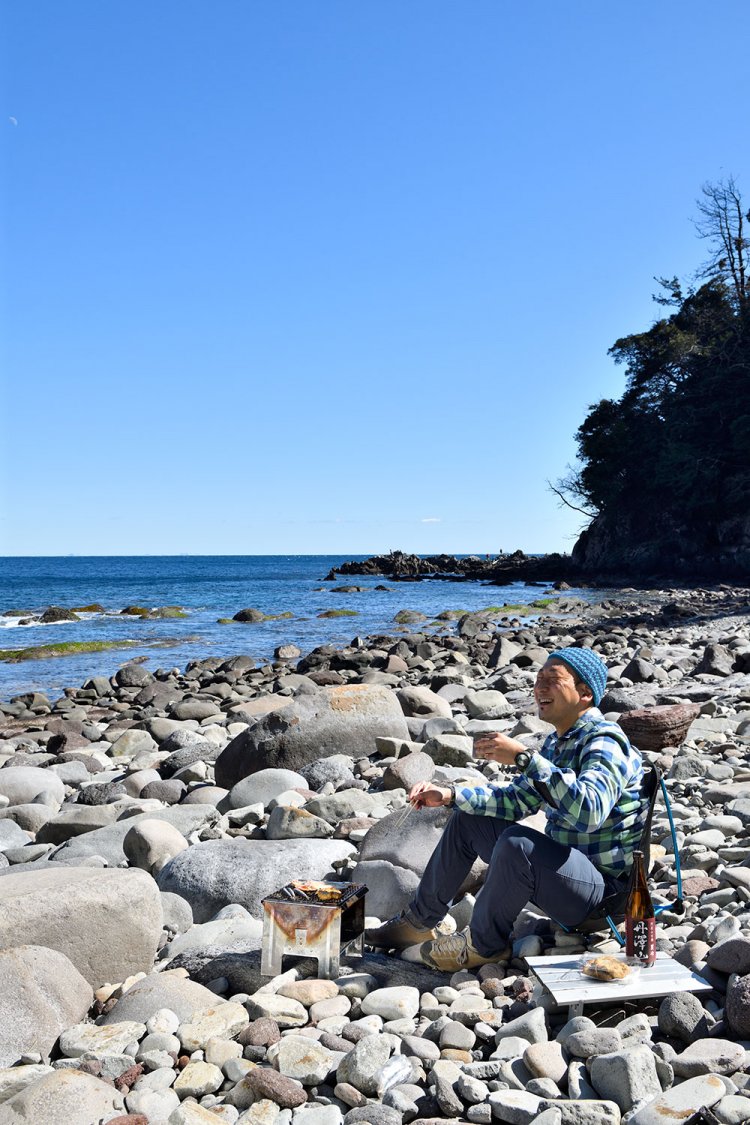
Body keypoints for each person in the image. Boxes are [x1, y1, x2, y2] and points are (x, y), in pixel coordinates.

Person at [367, 647, 647, 971]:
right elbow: (516, 801)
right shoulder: (558, 744)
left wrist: (523, 758)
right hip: (566, 881)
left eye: (553, 679)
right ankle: (419, 922)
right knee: (469, 819)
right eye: (538, 679)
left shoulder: (605, 741)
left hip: (603, 898)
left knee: (519, 845)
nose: (540, 688)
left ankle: (484, 944)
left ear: (585, 693)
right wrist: (449, 794)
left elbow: (590, 812)